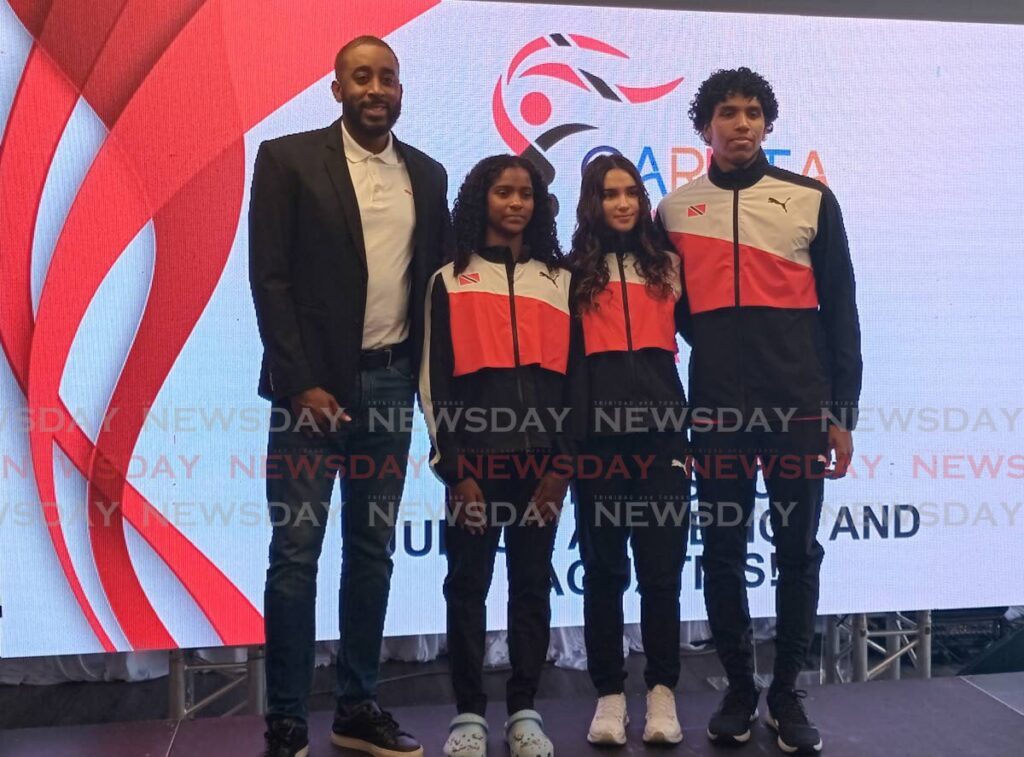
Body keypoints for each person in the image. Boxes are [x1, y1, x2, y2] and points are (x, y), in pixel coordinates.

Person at [249, 35, 449, 757]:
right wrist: (301, 381)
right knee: (295, 553)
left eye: (387, 76)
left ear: (400, 90)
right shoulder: (286, 159)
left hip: (392, 386)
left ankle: (358, 706)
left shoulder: (428, 176)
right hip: (311, 392)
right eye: (360, 76)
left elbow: (438, 291)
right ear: (336, 88)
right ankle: (288, 717)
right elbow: (268, 279)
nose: (375, 87)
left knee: (372, 551)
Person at [657, 67, 862, 755]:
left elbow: (841, 313)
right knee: (720, 550)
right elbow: (675, 314)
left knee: (798, 553)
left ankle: (787, 693)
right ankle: (741, 689)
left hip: (800, 410)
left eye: (751, 113)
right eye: (726, 113)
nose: (740, 124)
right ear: (704, 127)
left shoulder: (810, 199)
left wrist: (843, 411)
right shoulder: (675, 211)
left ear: (768, 124)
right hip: (714, 413)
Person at [420, 155, 573, 757]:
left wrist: (560, 470)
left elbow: (576, 381)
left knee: (532, 586)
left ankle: (525, 710)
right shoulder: (449, 280)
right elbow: (434, 383)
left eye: (527, 194)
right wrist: (456, 472)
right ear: (480, 199)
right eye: (504, 192)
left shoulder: (560, 281)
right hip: (475, 470)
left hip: (541, 470)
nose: (516, 203)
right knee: (466, 586)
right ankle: (467, 715)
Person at [567, 155, 690, 746]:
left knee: (661, 573)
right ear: (592, 202)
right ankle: (610, 696)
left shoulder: (667, 265)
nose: (622, 203)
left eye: (631, 193)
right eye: (610, 194)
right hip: (597, 443)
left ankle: (662, 693)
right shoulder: (570, 275)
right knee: (604, 572)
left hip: (664, 439)